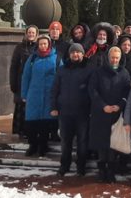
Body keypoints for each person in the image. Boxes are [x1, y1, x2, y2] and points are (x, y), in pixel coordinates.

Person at [89, 47, 131, 183]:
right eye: (112, 57)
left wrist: (120, 105)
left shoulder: (124, 73)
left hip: (116, 114)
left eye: (117, 58)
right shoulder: (98, 72)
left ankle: (111, 172)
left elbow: (127, 92)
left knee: (113, 145)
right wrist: (103, 106)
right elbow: (93, 90)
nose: (114, 60)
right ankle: (102, 171)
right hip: (101, 113)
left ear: (120, 59)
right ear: (108, 57)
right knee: (102, 145)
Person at [51, 43, 91, 177]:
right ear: (69, 54)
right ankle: (65, 165)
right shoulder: (62, 69)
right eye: (73, 52)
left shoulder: (88, 69)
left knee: (82, 141)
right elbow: (55, 89)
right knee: (65, 142)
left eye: (78, 52)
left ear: (83, 54)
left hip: (82, 112)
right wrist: (54, 107)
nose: (75, 54)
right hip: (65, 112)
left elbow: (92, 91)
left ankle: (81, 166)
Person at [21, 34, 57, 157]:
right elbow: (26, 77)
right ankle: (33, 145)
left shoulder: (55, 58)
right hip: (34, 94)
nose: (42, 46)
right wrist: (24, 94)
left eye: (45, 44)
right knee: (31, 123)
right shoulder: (32, 59)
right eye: (40, 44)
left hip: (49, 96)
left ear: (49, 44)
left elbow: (60, 77)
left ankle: (43, 145)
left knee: (45, 124)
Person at [9, 25, 38, 138]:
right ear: (26, 34)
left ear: (36, 34)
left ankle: (30, 130)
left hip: (33, 82)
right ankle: (19, 130)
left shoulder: (37, 47)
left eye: (33, 33)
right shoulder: (19, 47)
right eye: (29, 32)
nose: (31, 34)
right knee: (21, 107)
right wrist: (13, 83)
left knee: (31, 107)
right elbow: (14, 66)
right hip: (20, 82)